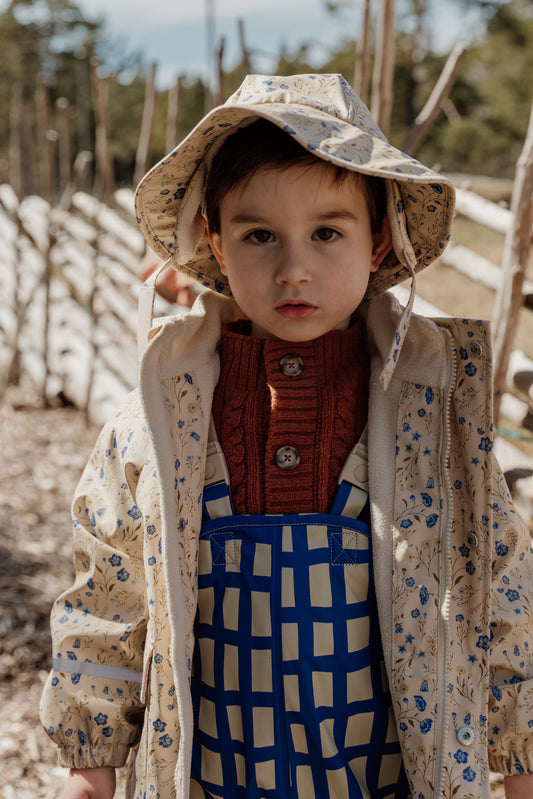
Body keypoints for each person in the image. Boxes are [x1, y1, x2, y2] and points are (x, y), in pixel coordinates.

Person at [40, 74, 533, 799]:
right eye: (258, 234)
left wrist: (516, 761)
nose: (293, 267)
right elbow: (107, 596)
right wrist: (90, 762)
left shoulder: (431, 416)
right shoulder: (157, 417)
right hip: (211, 773)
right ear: (214, 240)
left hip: (385, 776)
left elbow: (497, 589)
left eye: (326, 232)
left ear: (376, 243)